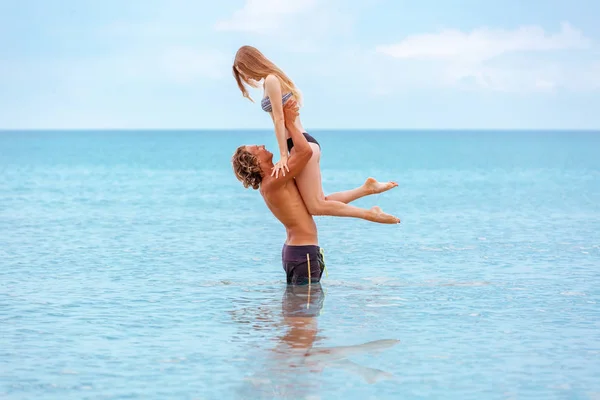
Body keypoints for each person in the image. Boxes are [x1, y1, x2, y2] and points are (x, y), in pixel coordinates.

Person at [231, 99, 400, 285]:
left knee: (319, 201)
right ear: (254, 162)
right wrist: (290, 122)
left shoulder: (274, 179)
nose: (262, 146)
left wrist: (286, 119)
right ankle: (369, 213)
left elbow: (320, 199)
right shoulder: (273, 180)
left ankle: (366, 190)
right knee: (303, 312)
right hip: (303, 253)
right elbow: (305, 152)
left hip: (299, 251)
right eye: (257, 149)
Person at [232, 45, 400, 223]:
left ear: (251, 63)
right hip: (301, 142)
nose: (246, 77)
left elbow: (280, 120)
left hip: (299, 143)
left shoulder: (272, 80)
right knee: (319, 202)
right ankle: (367, 189)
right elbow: (278, 120)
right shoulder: (269, 81)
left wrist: (283, 155)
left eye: (243, 71)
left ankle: (371, 213)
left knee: (316, 206)